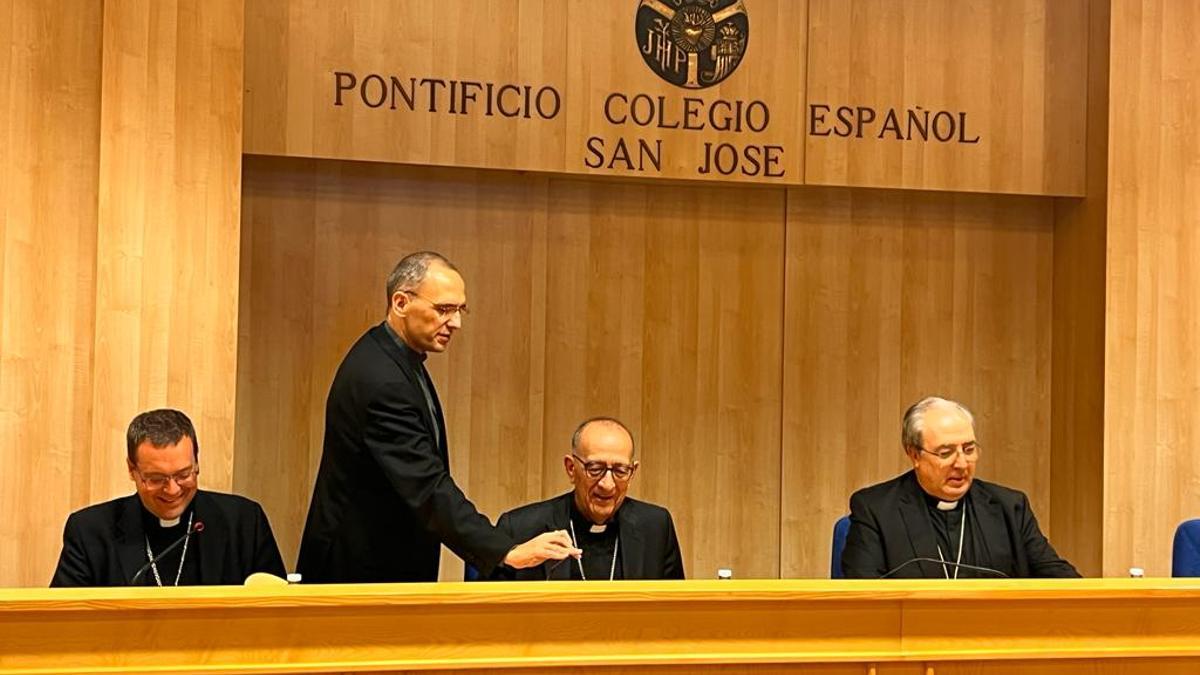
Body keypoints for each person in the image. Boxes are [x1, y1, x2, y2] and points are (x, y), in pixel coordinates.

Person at [297, 251, 578, 582]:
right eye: (444, 309)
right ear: (401, 302)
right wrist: (505, 551)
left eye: (461, 310)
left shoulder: (396, 358)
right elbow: (427, 486)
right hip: (360, 572)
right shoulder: (381, 378)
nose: (456, 322)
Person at [842, 396, 1080, 579]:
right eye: (946, 453)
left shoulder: (1009, 508)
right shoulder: (877, 510)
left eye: (969, 450)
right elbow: (863, 599)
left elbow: (1059, 580)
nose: (962, 464)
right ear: (914, 454)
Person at [51, 409, 285, 587]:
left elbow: (278, 612)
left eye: (184, 475)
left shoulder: (243, 523)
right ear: (132, 470)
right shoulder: (90, 531)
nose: (172, 490)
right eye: (156, 479)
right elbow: (62, 622)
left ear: (197, 463)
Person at [491, 417, 684, 580]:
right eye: (595, 469)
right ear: (571, 468)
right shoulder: (519, 528)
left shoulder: (655, 526)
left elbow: (676, 613)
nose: (607, 484)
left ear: (632, 473)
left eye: (620, 470)